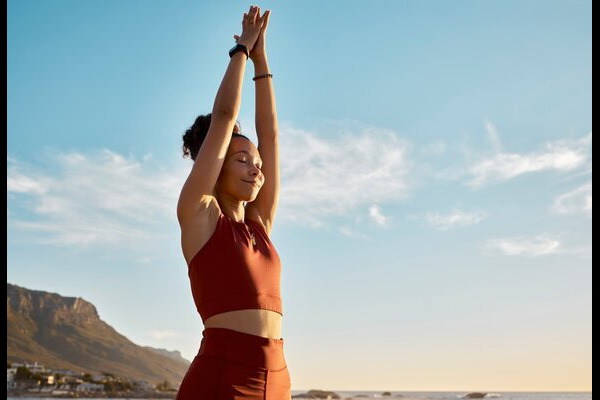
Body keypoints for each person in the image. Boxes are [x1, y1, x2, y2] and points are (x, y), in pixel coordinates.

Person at [175, 5, 290, 399]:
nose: (256, 169)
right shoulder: (200, 215)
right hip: (220, 379)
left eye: (257, 164)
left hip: (277, 378)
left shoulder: (261, 224)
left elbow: (270, 136)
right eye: (242, 160)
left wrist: (264, 61)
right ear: (216, 162)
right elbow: (225, 116)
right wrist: (242, 49)